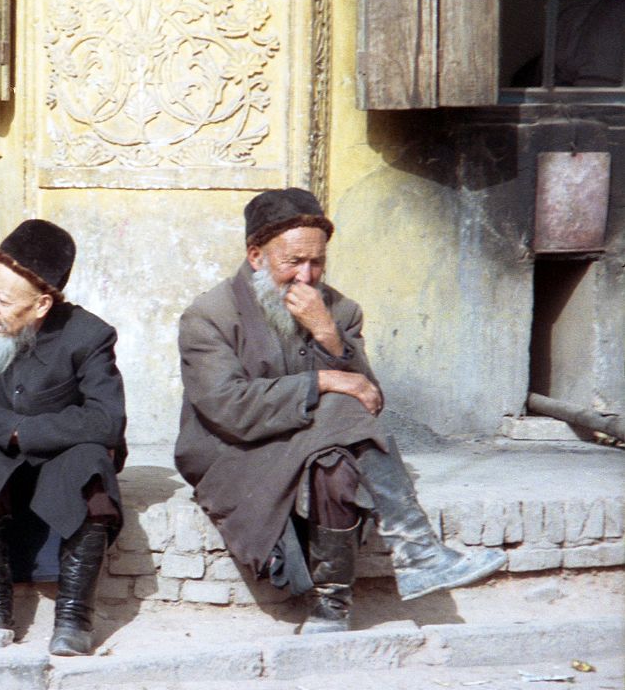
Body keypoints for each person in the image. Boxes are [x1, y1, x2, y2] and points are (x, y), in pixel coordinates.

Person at [175, 188, 506, 634]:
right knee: (336, 410)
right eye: (292, 262)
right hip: (233, 452)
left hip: (312, 441)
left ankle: (331, 607)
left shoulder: (340, 311)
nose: (306, 277)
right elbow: (228, 407)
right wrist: (323, 379)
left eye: (317, 263)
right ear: (256, 256)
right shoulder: (209, 315)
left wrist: (329, 337)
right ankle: (419, 551)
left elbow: (368, 398)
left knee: (335, 460)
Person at [0, 219, 127, 656]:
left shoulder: (88, 336)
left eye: (2, 299)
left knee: (90, 461)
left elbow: (106, 420)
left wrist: (30, 432)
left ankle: (74, 617)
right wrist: (12, 431)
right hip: (2, 462)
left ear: (42, 304)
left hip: (60, 461)